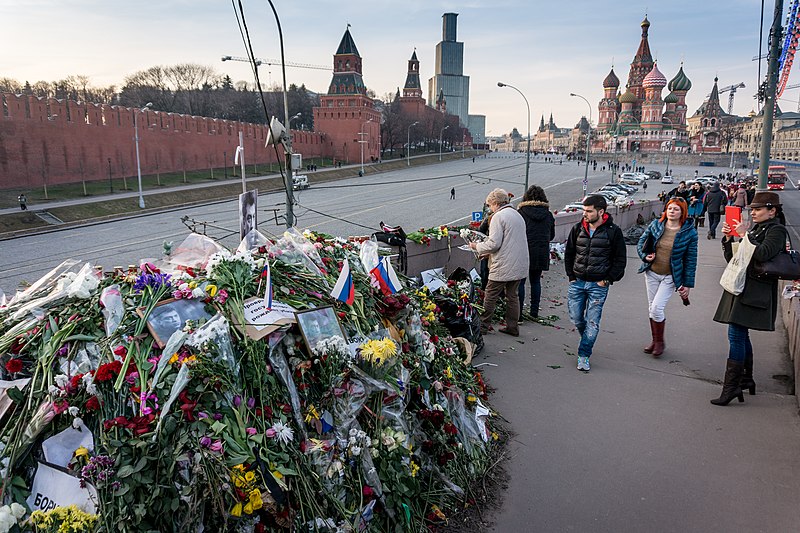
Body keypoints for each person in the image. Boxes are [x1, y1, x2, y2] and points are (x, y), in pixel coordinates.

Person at [711, 191, 787, 405]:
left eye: (758, 209)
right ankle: (745, 380)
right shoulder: (758, 228)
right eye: (752, 209)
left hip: (756, 290)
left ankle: (732, 387)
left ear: (772, 211)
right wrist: (729, 238)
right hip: (743, 286)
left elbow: (762, 254)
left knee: (735, 334)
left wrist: (745, 235)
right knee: (740, 334)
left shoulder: (777, 231)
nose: (752, 213)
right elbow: (734, 258)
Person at [564, 195, 627, 371]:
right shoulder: (577, 229)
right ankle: (588, 339)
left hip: (598, 285)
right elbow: (569, 253)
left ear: (601, 211)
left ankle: (584, 355)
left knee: (592, 322)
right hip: (577, 282)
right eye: (584, 210)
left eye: (589, 211)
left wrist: (607, 280)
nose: (585, 214)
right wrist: (571, 276)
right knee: (576, 318)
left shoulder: (613, 231)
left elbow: (620, 260)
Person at [636, 197, 698, 357]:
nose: (672, 211)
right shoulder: (656, 224)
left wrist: (688, 284)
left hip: (670, 276)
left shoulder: (689, 232)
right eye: (670, 208)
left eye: (676, 209)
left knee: (657, 308)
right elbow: (641, 242)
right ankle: (655, 341)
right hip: (651, 272)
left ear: (682, 212)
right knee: (652, 308)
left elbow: (691, 259)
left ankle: (660, 342)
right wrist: (644, 256)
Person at [469, 188, 529, 337]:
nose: (490, 208)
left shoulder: (498, 216)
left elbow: (494, 243)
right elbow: (508, 242)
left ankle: (483, 327)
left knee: (490, 295)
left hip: (504, 265)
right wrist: (488, 254)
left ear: (495, 203)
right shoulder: (517, 215)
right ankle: (512, 327)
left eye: (490, 205)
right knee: (512, 296)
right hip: (519, 263)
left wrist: (476, 246)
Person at [516, 185, 556, 318]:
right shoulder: (548, 215)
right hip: (540, 252)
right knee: (535, 281)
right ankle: (534, 313)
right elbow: (552, 236)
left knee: (520, 282)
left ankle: (519, 314)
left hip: (524, 251)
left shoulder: (521, 213)